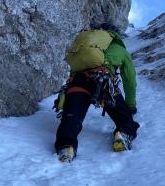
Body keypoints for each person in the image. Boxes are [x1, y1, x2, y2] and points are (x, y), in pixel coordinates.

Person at [54, 22, 139, 162]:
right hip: (103, 81)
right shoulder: (119, 48)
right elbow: (129, 79)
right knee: (125, 119)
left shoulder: (87, 44)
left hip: (78, 80)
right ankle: (123, 134)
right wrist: (130, 105)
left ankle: (66, 146)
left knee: (72, 116)